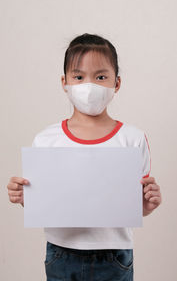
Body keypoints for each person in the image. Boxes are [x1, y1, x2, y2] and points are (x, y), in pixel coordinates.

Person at [7, 33, 162, 281]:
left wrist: (146, 205)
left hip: (115, 254)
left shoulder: (133, 139)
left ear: (117, 83)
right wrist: (26, 197)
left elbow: (134, 205)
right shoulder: (46, 139)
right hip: (61, 252)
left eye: (101, 77)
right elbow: (45, 201)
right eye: (78, 77)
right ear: (64, 82)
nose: (89, 86)